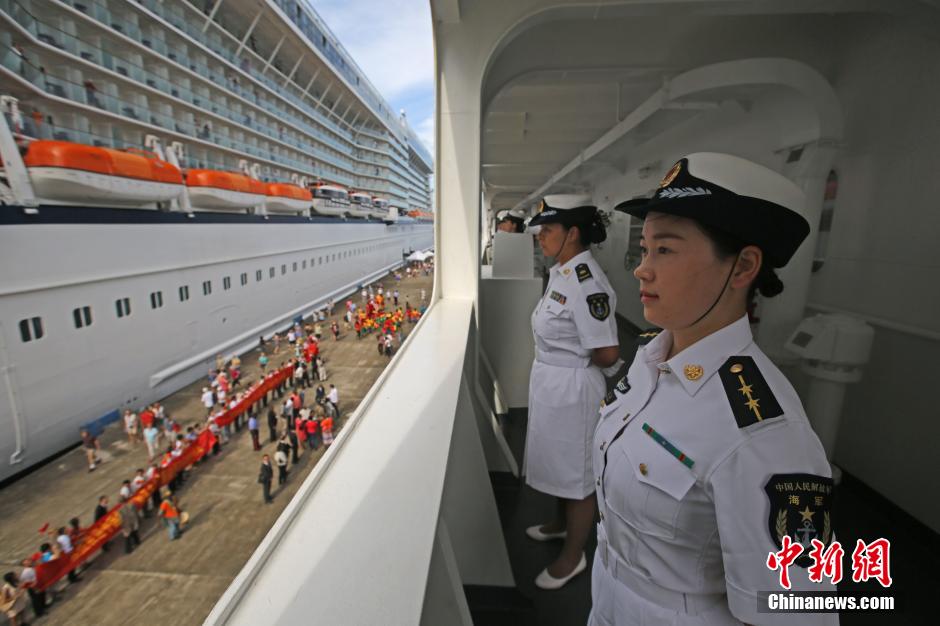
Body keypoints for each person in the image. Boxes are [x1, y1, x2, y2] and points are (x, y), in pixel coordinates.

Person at [589, 154, 838, 626]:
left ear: (742, 267)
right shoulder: (649, 360)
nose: (642, 269)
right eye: (644, 249)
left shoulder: (766, 432)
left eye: (665, 250)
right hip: (608, 597)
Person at [523, 194, 620, 590]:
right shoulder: (562, 271)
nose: (541, 237)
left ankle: (573, 555)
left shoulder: (587, 282)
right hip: (552, 385)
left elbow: (608, 351)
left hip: (573, 390)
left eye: (548, 230)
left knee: (577, 475)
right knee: (556, 459)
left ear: (573, 233)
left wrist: (573, 368)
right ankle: (560, 524)